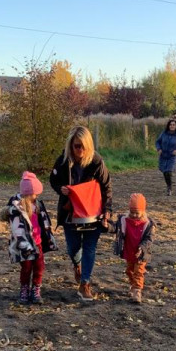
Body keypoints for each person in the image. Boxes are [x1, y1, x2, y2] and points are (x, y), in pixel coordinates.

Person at [49, 125, 112, 302]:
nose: (81, 150)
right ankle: (77, 265)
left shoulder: (97, 161)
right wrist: (60, 189)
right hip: (71, 213)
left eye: (84, 146)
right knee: (73, 248)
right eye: (77, 146)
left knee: (90, 248)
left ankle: (85, 283)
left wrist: (108, 211)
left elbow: (107, 187)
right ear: (71, 145)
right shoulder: (63, 161)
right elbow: (52, 180)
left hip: (93, 212)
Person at [0, 171, 53, 304]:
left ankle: (36, 289)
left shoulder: (38, 204)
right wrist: (24, 245)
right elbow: (16, 229)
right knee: (26, 267)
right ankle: (24, 288)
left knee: (39, 267)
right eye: (34, 194)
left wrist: (48, 237)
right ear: (27, 193)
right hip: (24, 244)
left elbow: (45, 222)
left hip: (38, 242)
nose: (36, 196)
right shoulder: (17, 208)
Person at [112, 193, 155, 304]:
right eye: (132, 212)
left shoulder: (148, 224)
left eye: (137, 213)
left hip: (141, 253)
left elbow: (149, 239)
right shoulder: (124, 220)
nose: (134, 215)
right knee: (129, 270)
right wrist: (108, 225)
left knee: (139, 272)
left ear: (143, 211)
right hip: (129, 251)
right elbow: (115, 228)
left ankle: (137, 290)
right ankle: (133, 285)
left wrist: (142, 247)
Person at [155, 119, 176, 195]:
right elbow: (158, 142)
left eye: (173, 125)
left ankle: (169, 188)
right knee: (164, 172)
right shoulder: (163, 133)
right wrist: (159, 149)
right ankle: (168, 185)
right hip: (163, 155)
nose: (172, 126)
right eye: (171, 125)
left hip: (172, 156)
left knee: (169, 172)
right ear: (168, 126)